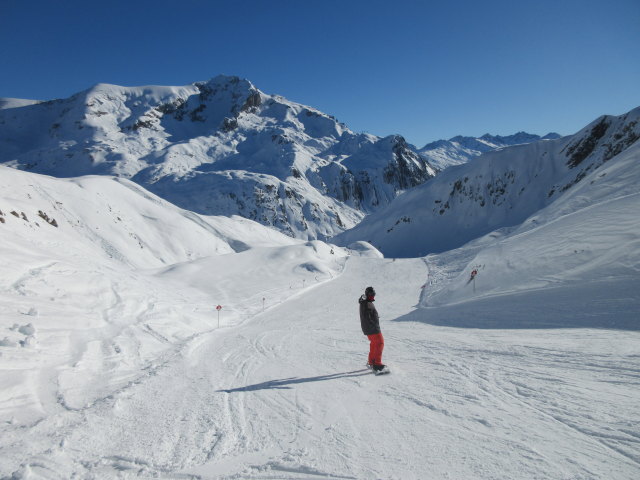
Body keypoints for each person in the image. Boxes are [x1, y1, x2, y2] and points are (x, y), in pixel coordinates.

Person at [359, 286, 386, 372]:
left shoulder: (366, 302)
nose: (373, 296)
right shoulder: (366, 303)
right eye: (371, 295)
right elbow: (367, 317)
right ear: (367, 294)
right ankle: (377, 364)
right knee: (380, 343)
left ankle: (371, 362)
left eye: (373, 294)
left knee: (374, 344)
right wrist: (374, 324)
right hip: (372, 329)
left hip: (369, 328)